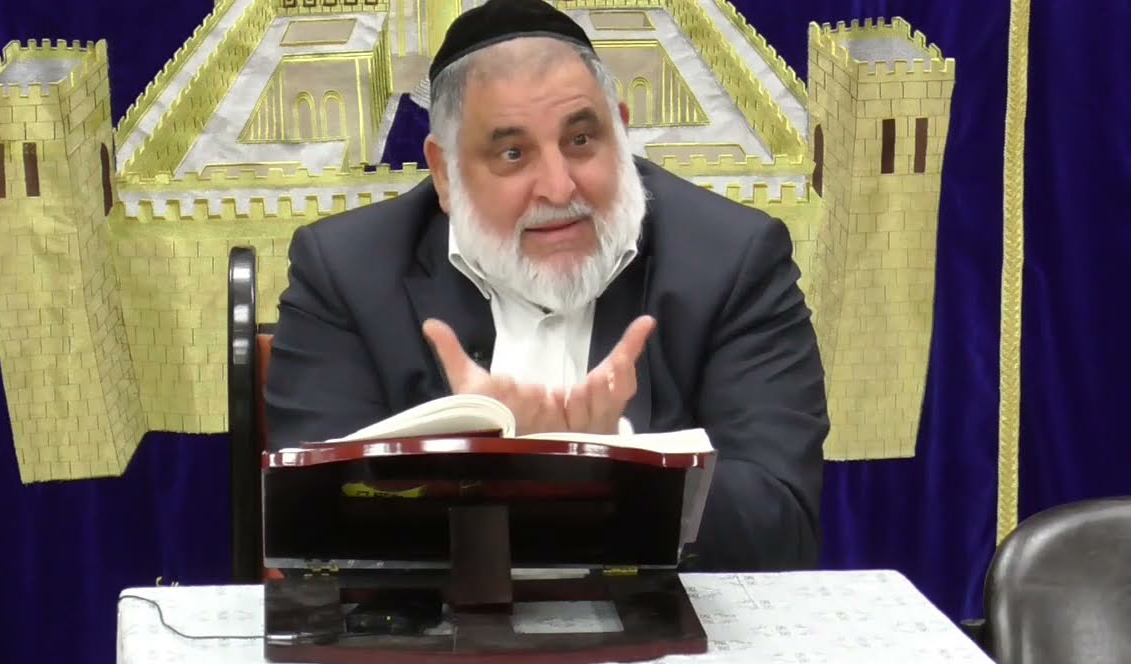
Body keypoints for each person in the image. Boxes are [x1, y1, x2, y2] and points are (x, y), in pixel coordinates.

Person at [264, 0, 829, 571]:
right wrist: (496, 469)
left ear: (620, 132)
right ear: (445, 172)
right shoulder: (346, 273)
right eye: (512, 154)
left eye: (581, 140)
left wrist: (614, 464)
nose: (559, 189)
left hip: (657, 621)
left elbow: (779, 529)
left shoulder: (733, 261)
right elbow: (314, 533)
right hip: (439, 624)